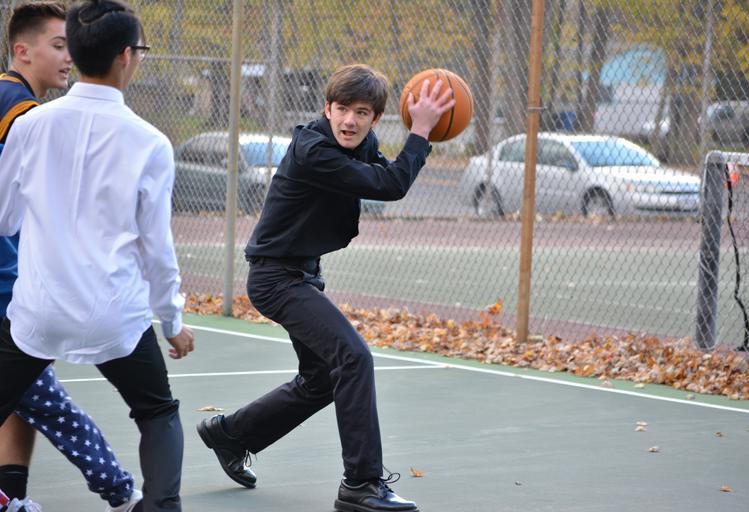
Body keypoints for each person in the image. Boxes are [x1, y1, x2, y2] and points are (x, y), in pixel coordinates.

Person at [197, 63, 453, 511]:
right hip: (276, 278)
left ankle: (230, 435)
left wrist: (419, 130)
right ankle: (361, 484)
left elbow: (388, 171)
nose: (350, 120)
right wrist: (421, 131)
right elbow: (390, 184)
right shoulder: (312, 149)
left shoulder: (359, 142)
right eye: (342, 109)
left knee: (320, 380)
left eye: (361, 112)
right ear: (327, 108)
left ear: (375, 118)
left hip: (303, 275)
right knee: (354, 357)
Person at [0, 1, 194, 511]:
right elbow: (156, 249)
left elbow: (4, 218)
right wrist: (172, 320)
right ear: (126, 56)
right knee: (157, 413)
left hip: (38, 312)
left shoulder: (30, 126)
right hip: (115, 315)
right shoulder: (150, 143)